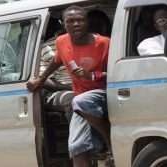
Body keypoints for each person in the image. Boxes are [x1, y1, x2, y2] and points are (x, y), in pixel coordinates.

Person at [27, 5, 110, 167]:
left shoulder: (104, 43)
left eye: (80, 20)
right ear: (63, 24)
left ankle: (108, 139)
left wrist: (92, 76)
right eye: (70, 21)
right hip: (79, 98)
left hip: (102, 93)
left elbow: (116, 74)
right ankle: (100, 148)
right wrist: (40, 80)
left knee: (78, 101)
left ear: (87, 22)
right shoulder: (61, 41)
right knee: (76, 147)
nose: (76, 24)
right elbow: (56, 61)